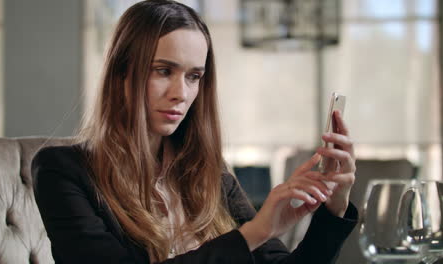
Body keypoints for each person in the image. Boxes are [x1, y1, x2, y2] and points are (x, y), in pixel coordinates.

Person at [32, 1, 358, 263]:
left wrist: (335, 205)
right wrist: (255, 232)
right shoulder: (62, 170)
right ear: (122, 74)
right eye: (163, 71)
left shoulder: (212, 176)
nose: (181, 93)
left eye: (193, 76)